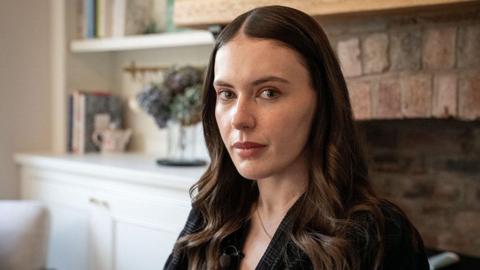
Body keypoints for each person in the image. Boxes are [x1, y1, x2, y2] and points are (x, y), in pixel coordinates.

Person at [164, 5, 429, 270]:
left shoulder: (379, 237)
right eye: (227, 94)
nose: (239, 119)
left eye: (268, 93)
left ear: (321, 101)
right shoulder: (211, 214)